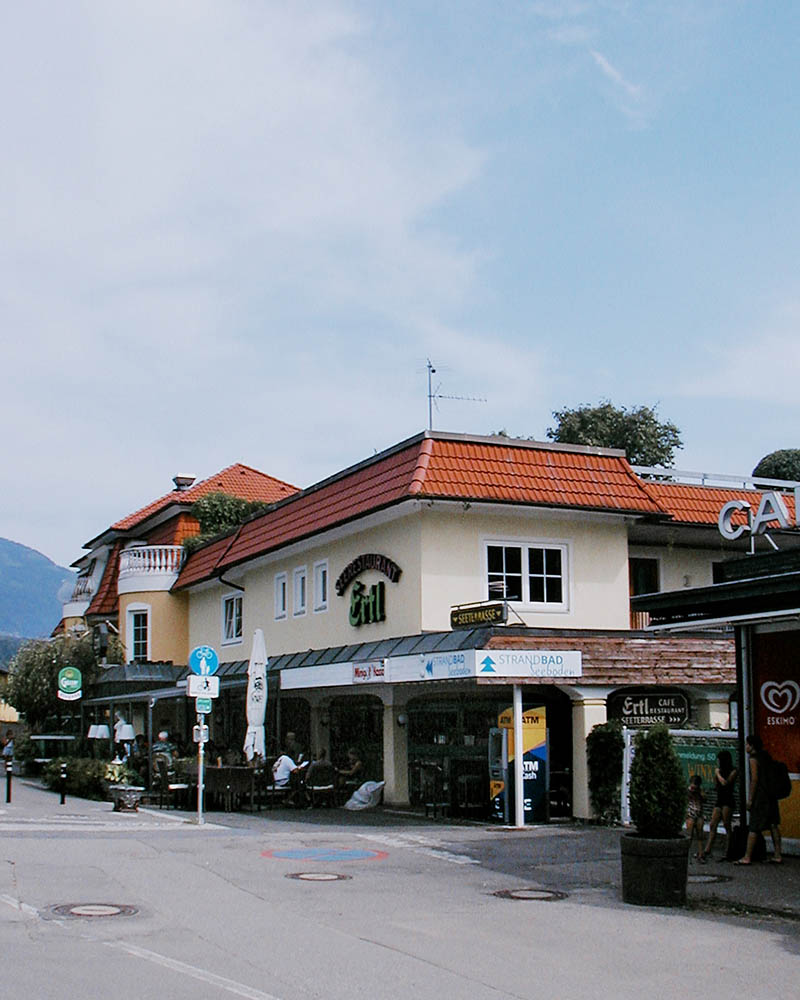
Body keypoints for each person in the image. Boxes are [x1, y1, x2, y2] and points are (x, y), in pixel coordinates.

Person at [735, 734, 782, 865]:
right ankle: (778, 854)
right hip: (771, 795)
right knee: (773, 825)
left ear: (752, 746)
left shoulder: (753, 759)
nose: (746, 747)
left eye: (747, 744)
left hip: (761, 797)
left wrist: (750, 799)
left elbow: (754, 779)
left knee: (754, 827)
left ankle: (747, 856)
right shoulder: (766, 756)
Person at [701, 750, 738, 862]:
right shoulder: (720, 770)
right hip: (720, 798)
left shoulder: (733, 771)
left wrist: (718, 773)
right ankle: (707, 849)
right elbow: (717, 785)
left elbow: (725, 783)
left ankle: (728, 851)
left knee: (727, 824)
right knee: (713, 824)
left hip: (728, 799)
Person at [686, 775, 705, 861]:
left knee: (700, 835)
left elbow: (704, 799)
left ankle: (701, 854)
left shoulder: (700, 792)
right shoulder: (688, 791)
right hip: (690, 814)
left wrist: (701, 794)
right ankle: (686, 854)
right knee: (689, 835)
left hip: (699, 814)